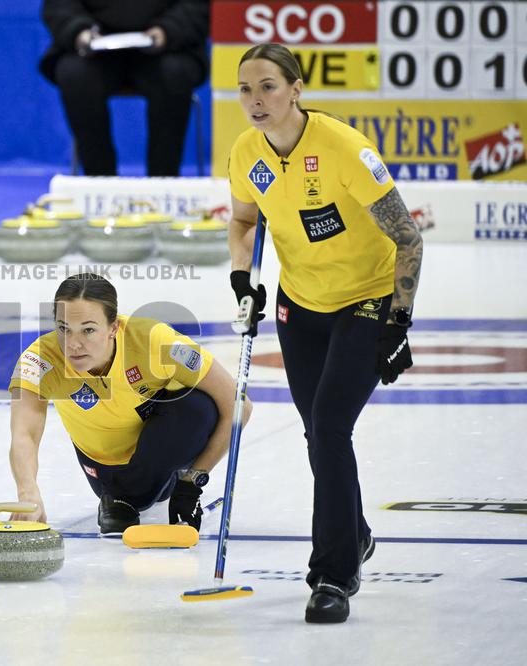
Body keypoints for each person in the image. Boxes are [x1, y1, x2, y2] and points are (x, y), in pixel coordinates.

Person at [227, 43, 423, 623]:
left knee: (331, 427)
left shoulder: (345, 149)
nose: (255, 100)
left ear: (295, 89)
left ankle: (333, 574)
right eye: (245, 89)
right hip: (300, 303)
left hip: (367, 298)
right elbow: (243, 220)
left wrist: (400, 319)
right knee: (317, 433)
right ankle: (354, 530)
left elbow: (408, 238)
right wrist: (243, 279)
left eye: (267, 86)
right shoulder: (245, 152)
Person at [7, 273, 250, 536]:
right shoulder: (39, 360)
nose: (73, 344)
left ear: (113, 327)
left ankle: (149, 490)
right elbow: (24, 435)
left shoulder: (156, 341)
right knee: (136, 497)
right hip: (106, 469)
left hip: (164, 449)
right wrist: (27, 492)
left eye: (88, 330)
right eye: (64, 328)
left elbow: (240, 405)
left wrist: (193, 482)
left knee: (199, 407)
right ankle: (121, 497)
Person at [39, 0, 209, 176]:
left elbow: (196, 5)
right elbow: (59, 5)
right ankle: (99, 182)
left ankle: (164, 182)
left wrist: (167, 30)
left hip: (166, 47)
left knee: (175, 74)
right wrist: (80, 31)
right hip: (95, 49)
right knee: (74, 74)